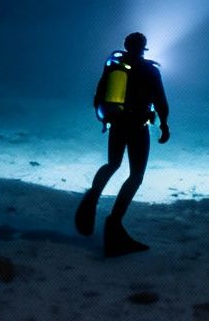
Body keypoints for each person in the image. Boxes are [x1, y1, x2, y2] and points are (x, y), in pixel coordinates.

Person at [75, 31, 171, 256]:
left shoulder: (113, 65)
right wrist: (164, 126)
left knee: (113, 164)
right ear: (144, 46)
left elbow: (98, 96)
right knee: (135, 176)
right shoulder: (150, 70)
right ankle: (114, 224)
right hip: (137, 127)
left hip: (116, 124)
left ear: (126, 45)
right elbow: (161, 102)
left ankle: (92, 197)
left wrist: (107, 119)